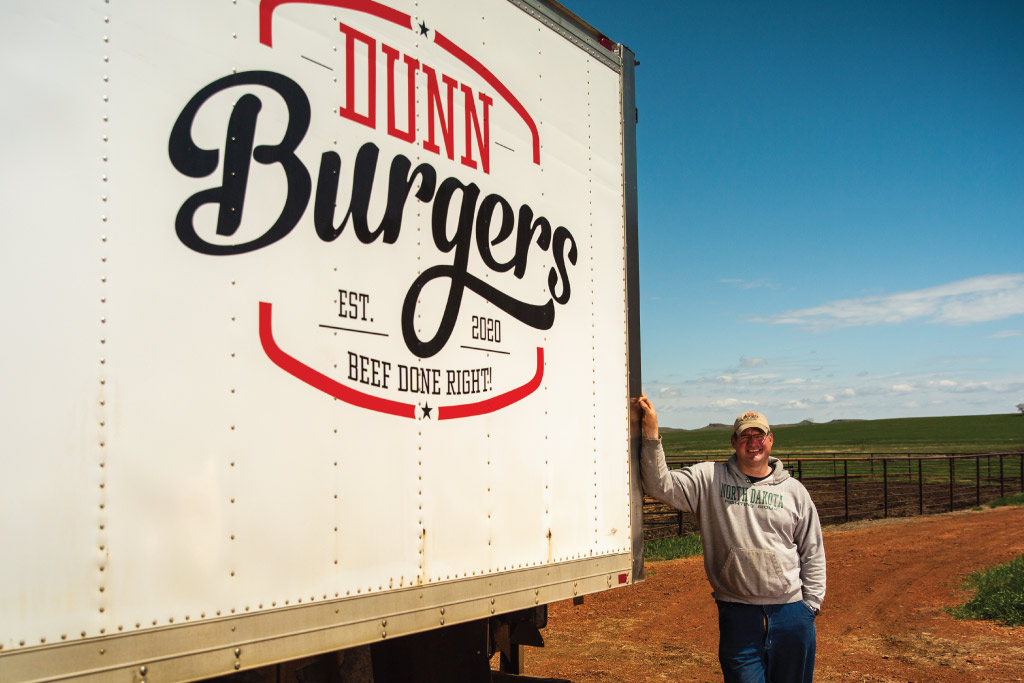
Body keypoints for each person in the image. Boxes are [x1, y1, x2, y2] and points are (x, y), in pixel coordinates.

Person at [637, 394, 826, 683]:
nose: (753, 442)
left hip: (791, 611)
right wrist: (651, 433)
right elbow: (658, 485)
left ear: (770, 440)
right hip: (738, 612)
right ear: (733, 442)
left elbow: (812, 550)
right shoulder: (710, 479)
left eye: (759, 435)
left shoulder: (794, 491)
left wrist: (810, 605)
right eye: (745, 436)